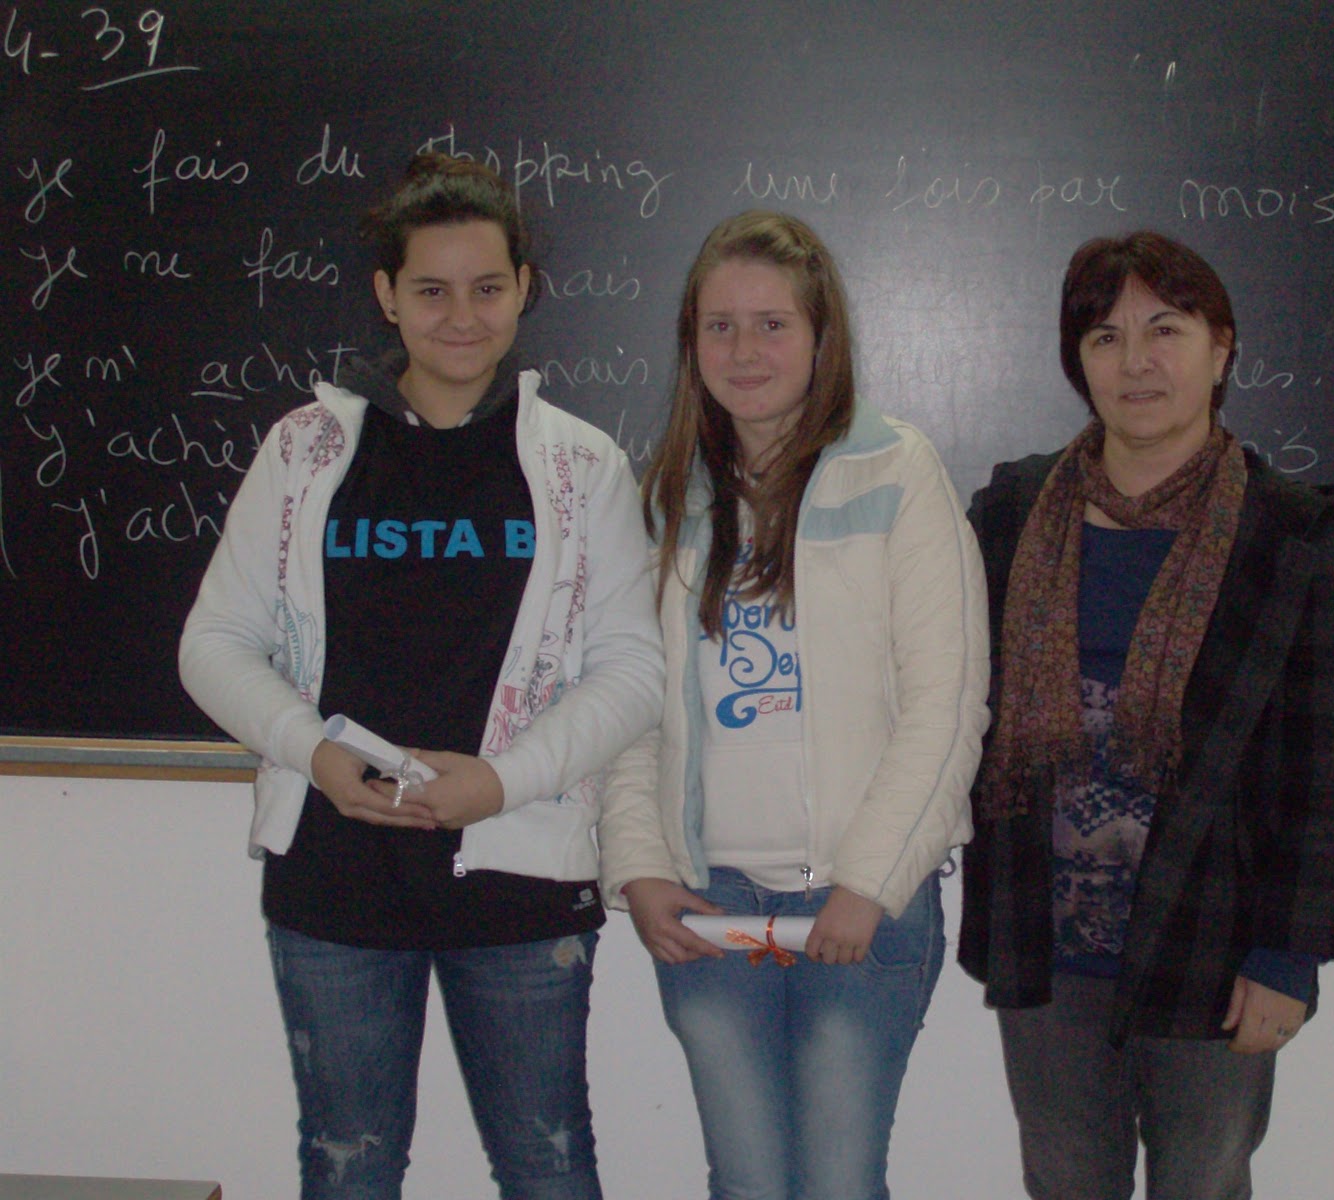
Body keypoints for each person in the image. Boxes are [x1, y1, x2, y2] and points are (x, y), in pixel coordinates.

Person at [178, 152, 664, 1200]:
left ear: (523, 289)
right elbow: (213, 643)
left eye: (487, 287)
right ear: (387, 296)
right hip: (334, 876)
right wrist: (314, 754)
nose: (462, 316)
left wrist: (502, 782)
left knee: (548, 1168)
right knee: (347, 1167)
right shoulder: (305, 452)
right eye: (431, 290)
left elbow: (633, 671)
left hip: (521, 877)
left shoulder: (583, 466)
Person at [958, 231, 1334, 1200]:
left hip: (1215, 941)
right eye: (1105, 337)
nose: (1135, 361)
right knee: (1063, 1185)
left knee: (1203, 1185)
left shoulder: (1292, 532)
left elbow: (1326, 767)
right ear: (1079, 363)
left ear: (1220, 350)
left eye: (1165, 330)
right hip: (1045, 937)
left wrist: (1288, 958)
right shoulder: (1012, 511)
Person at [598, 209, 989, 1200]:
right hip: (709, 902)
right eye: (720, 326)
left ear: (822, 337)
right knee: (746, 1184)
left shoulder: (897, 472)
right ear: (691, 343)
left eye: (772, 324)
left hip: (856, 905)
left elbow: (946, 706)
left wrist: (868, 882)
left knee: (837, 1185)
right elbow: (632, 706)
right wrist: (639, 867)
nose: (744, 351)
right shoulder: (667, 495)